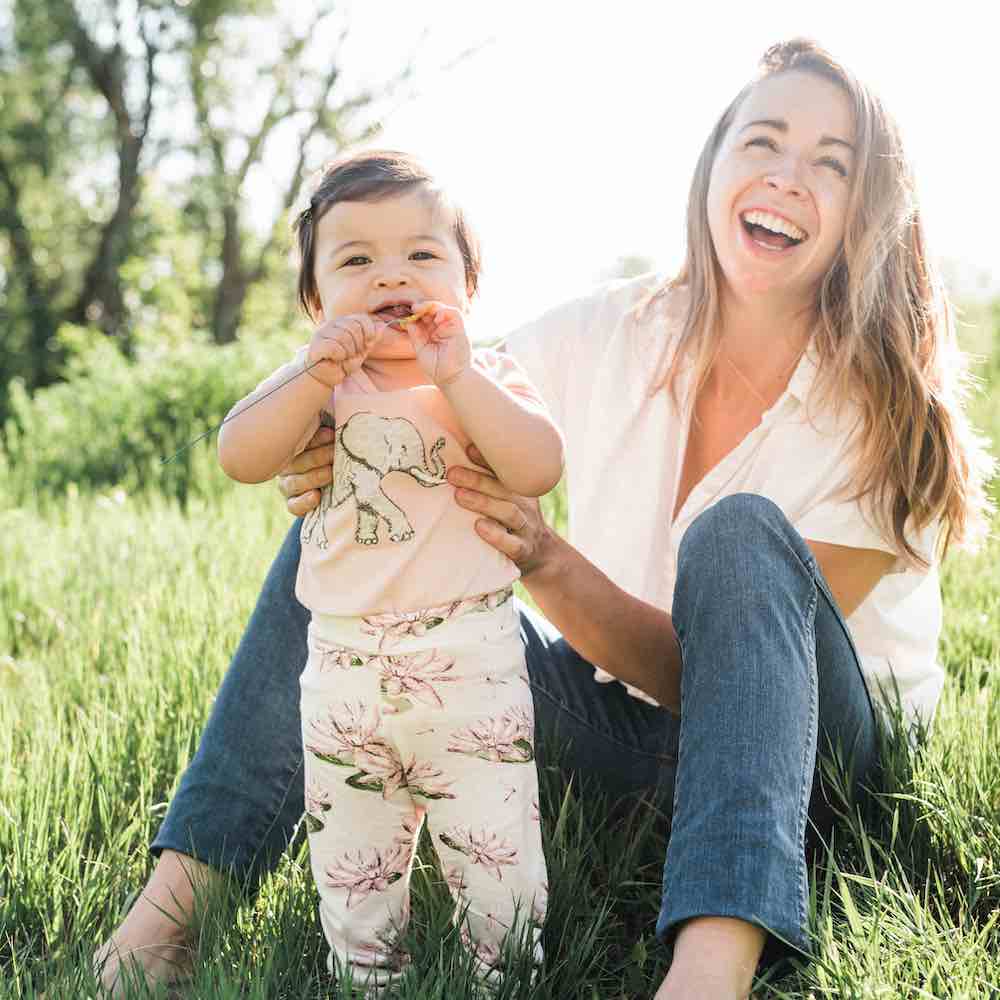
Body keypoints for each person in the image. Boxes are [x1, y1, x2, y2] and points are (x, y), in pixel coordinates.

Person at [94, 38, 993, 1000]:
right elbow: (428, 371)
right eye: (762, 141)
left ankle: (709, 972)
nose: (786, 177)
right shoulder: (619, 326)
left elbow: (730, 686)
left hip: (817, 778)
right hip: (624, 742)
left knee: (739, 535)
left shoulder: (883, 409)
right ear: (714, 169)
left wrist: (547, 563)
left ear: (870, 210)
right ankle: (171, 912)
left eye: (832, 163)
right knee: (377, 524)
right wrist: (329, 431)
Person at [216, 150, 560, 993]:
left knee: (496, 849)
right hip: (342, 673)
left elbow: (539, 465)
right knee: (352, 858)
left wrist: (460, 374)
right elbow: (239, 454)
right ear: (314, 300)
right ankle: (367, 975)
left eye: (421, 255)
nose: (390, 277)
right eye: (356, 260)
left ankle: (503, 974)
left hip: (470, 666)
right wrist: (312, 372)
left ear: (468, 287)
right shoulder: (318, 388)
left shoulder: (484, 378)